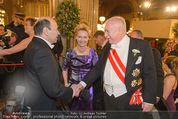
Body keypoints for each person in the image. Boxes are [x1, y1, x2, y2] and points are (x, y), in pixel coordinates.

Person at [77, 16, 156, 118]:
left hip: (130, 98)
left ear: (120, 30)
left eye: (107, 31)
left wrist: (149, 100)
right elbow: (97, 69)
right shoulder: (106, 48)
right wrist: (82, 84)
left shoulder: (142, 46)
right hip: (108, 99)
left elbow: (150, 74)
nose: (105, 35)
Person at [23, 16, 79, 110]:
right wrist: (72, 91)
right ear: (46, 31)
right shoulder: (42, 52)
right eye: (56, 29)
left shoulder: (34, 45)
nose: (58, 32)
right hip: (42, 106)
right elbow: (53, 89)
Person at [129, 30, 168, 119]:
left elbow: (158, 74)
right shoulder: (130, 52)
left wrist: (156, 95)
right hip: (132, 93)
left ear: (139, 39)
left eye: (132, 39)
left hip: (146, 92)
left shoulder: (153, 52)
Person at [62, 23, 98, 110]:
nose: (82, 40)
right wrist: (66, 84)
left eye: (85, 37)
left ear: (89, 38)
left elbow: (97, 70)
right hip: (73, 86)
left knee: (87, 111)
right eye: (80, 37)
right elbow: (65, 69)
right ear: (75, 37)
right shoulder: (70, 52)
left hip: (88, 87)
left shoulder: (93, 53)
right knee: (74, 111)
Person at [92, 30, 108, 110]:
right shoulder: (104, 47)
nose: (96, 42)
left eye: (95, 40)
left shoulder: (107, 47)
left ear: (100, 37)